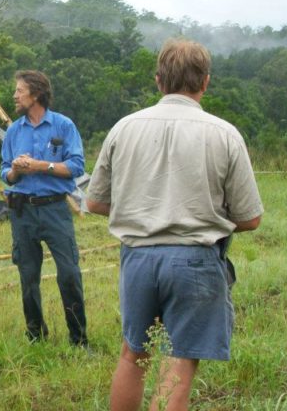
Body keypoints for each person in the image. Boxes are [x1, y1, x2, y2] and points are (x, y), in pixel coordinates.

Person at [86, 39, 263, 411]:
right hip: (195, 262)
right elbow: (250, 218)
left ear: (158, 81)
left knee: (133, 354)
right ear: (206, 82)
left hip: (137, 258)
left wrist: (140, 211)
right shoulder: (224, 133)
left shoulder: (124, 128)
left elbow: (96, 202)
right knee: (179, 361)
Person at [0, 70, 88, 346]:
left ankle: (78, 339)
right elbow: (4, 172)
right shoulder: (14, 130)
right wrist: (15, 171)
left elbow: (76, 166)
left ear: (35, 94)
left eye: (19, 90)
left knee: (69, 274)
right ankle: (35, 336)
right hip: (22, 211)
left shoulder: (63, 126)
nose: (14, 95)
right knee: (28, 276)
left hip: (55, 210)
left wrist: (40, 166)